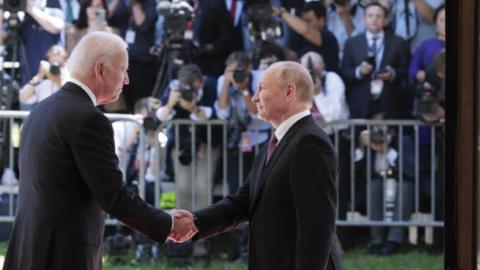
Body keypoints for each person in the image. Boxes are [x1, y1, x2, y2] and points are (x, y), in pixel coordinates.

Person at [3, 32, 195, 270]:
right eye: (123, 70)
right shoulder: (88, 118)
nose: (126, 80)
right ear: (101, 69)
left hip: (27, 250)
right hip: (63, 256)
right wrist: (167, 223)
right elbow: (113, 196)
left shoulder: (41, 109)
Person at [172, 61, 341, 270]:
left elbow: (317, 227)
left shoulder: (309, 143)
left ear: (289, 92)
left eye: (261, 88)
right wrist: (196, 222)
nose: (254, 97)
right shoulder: (276, 143)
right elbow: (244, 202)